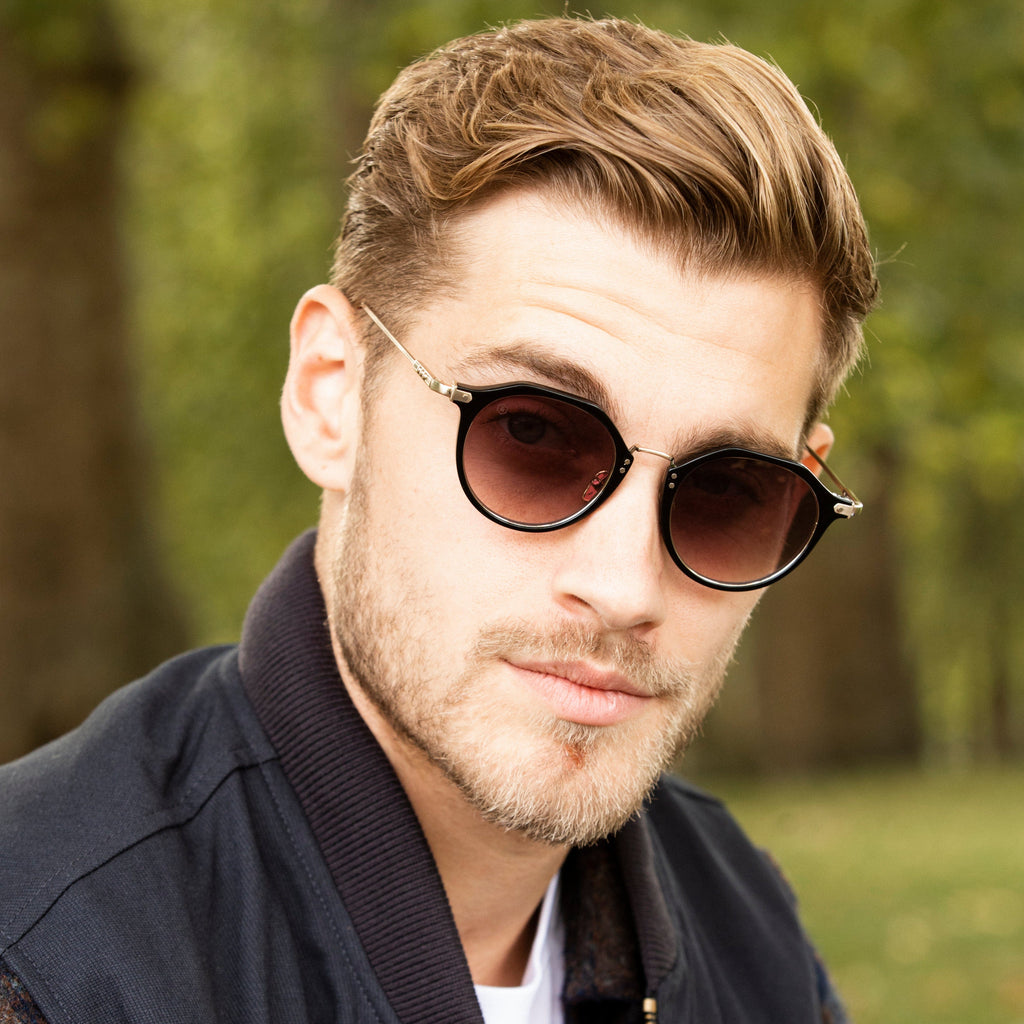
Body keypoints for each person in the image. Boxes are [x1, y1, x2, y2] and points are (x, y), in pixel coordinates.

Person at [0, 16, 877, 1024]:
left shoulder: (747, 930)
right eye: (533, 437)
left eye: (728, 490)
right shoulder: (46, 960)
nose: (624, 585)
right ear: (332, 393)